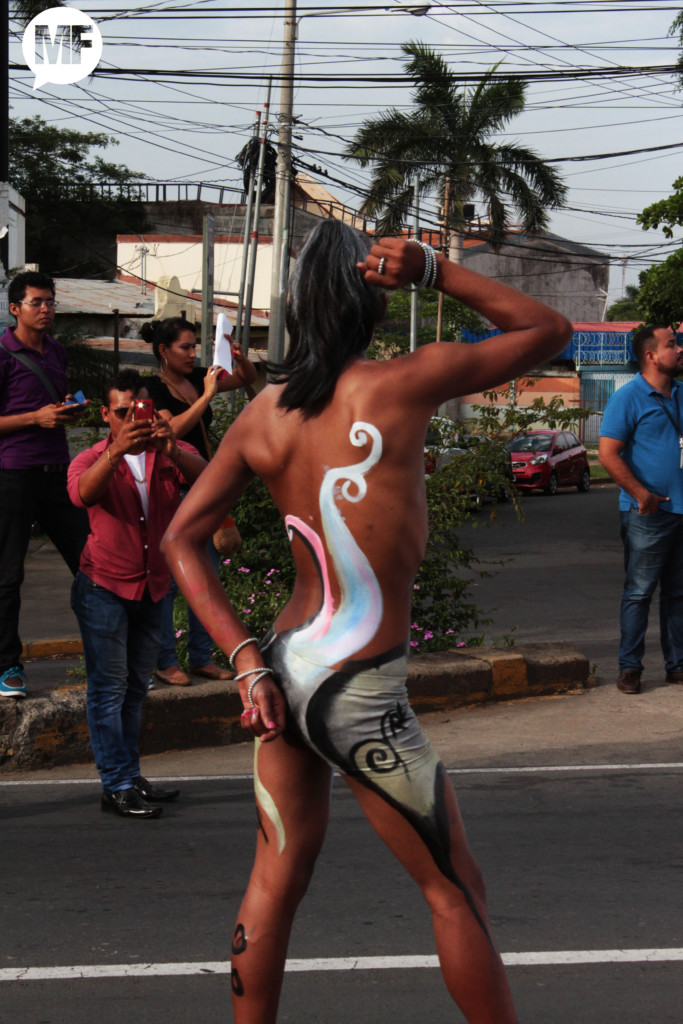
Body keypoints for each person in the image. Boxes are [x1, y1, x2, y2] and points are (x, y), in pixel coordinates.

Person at [162, 222, 571, 1023]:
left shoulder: (265, 414)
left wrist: (244, 659)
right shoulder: (401, 384)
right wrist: (432, 269)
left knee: (274, 880)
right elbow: (547, 330)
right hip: (355, 685)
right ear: (368, 300)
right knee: (453, 890)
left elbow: (180, 538)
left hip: (283, 668)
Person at [68, 369, 207, 818]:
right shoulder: (91, 457)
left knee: (134, 689)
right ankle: (116, 785)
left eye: (141, 409)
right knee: (108, 689)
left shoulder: (168, 452)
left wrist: (172, 448)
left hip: (152, 586)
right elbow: (81, 495)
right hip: (103, 587)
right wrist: (116, 453)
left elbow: (210, 480)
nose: (133, 419)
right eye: (123, 411)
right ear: (106, 414)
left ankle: (128, 774)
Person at [142, 317, 257, 686]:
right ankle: (165, 662)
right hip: (171, 489)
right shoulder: (152, 389)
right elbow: (170, 431)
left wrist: (240, 358)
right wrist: (206, 396)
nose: (193, 354)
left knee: (207, 574)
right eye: (185, 347)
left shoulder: (196, 377)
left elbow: (247, 378)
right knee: (171, 581)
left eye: (195, 346)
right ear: (164, 350)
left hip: (202, 485)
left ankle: (201, 657)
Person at [0, 270, 89, 699]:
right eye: (37, 302)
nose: (46, 309)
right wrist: (35, 418)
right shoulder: (3, 353)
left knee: (92, 565)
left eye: (51, 301)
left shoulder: (57, 351)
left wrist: (68, 410)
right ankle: (7, 667)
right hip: (13, 474)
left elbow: (52, 407)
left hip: (58, 473)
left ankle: (107, 657)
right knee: (7, 575)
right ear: (14, 308)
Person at [599, 323, 683, 695]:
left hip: (681, 510)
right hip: (647, 514)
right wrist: (641, 494)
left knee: (678, 594)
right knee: (639, 592)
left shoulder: (681, 393)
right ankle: (630, 669)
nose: (679, 350)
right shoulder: (628, 397)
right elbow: (607, 454)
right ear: (650, 355)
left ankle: (677, 666)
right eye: (671, 344)